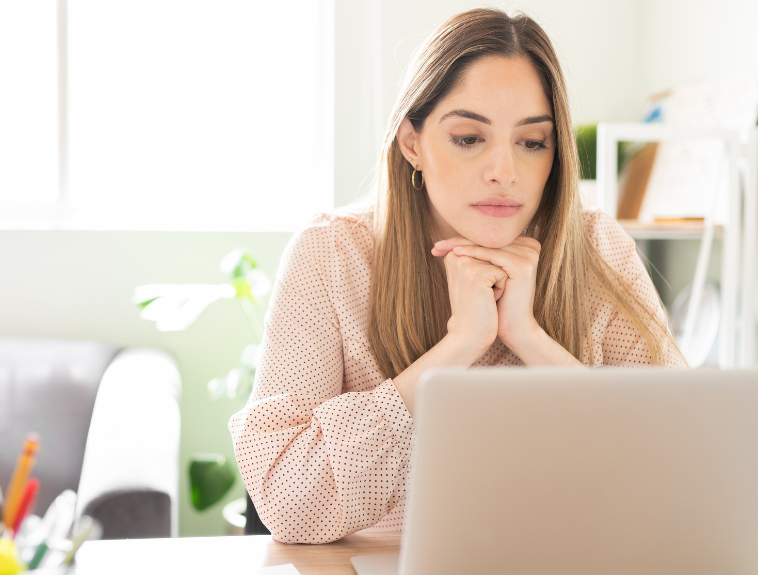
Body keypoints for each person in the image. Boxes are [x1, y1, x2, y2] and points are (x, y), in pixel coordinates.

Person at [229, 7, 686, 544]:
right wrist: (459, 345)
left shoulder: (597, 248)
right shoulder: (330, 255)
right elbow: (289, 503)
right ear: (412, 144)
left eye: (532, 142)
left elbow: (679, 462)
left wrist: (530, 339)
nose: (504, 171)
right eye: (469, 138)